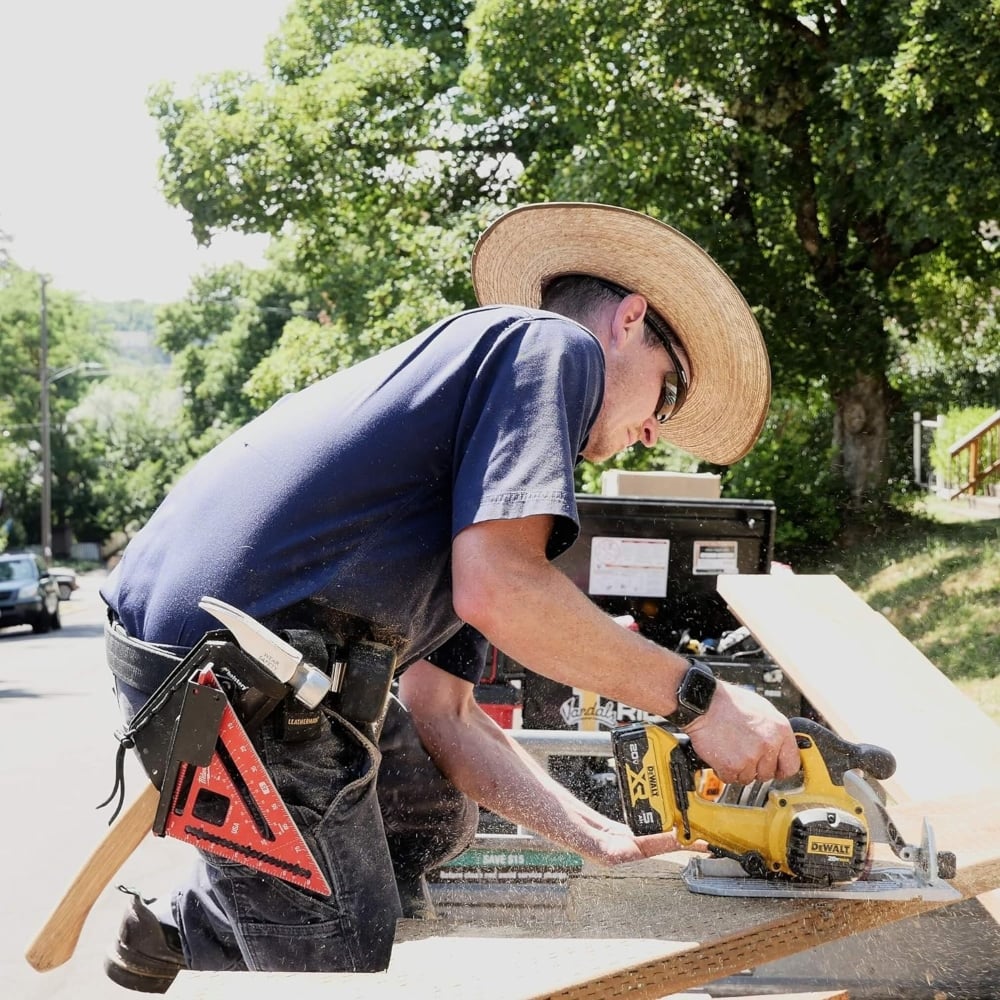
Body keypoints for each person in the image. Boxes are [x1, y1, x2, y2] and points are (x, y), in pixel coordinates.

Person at [100, 202, 800, 992]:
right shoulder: (552, 346)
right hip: (237, 673)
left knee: (428, 812)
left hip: (231, 660)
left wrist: (589, 835)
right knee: (343, 955)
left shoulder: (480, 446)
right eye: (666, 395)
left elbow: (446, 716)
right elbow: (504, 592)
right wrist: (703, 702)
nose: (653, 431)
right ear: (629, 321)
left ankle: (197, 922)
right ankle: (297, 942)